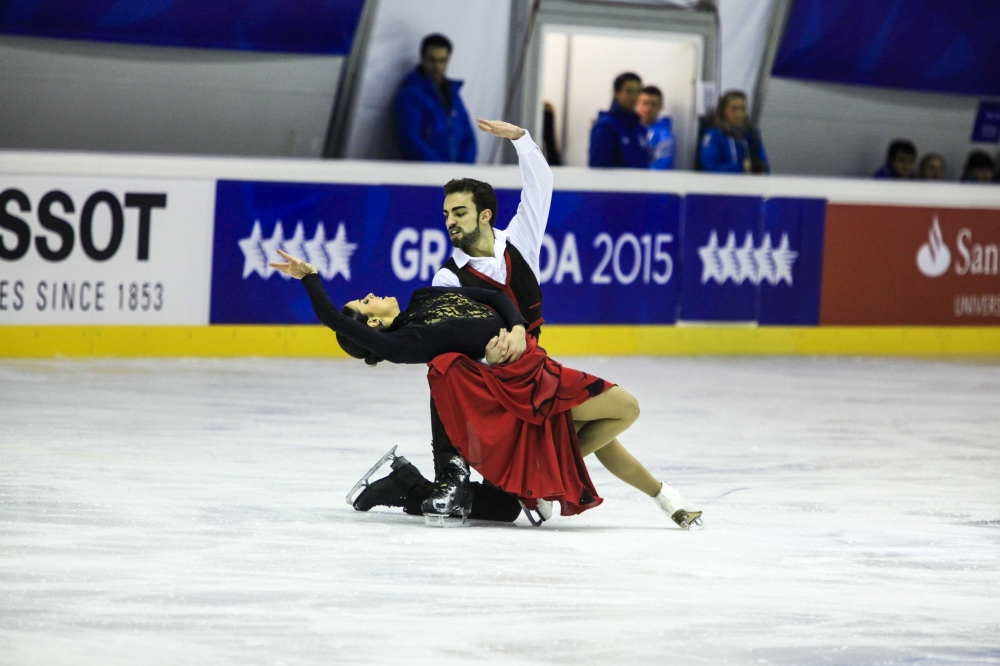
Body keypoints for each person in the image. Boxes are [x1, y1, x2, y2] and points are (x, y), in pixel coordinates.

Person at [268, 248, 703, 530]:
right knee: (626, 408)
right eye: (365, 306)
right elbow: (338, 322)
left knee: (595, 428)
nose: (368, 296)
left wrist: (516, 327)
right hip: (518, 388)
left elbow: (494, 298)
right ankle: (534, 483)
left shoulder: (424, 296)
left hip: (535, 362)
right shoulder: (405, 342)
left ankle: (661, 497)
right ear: (374, 326)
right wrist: (311, 279)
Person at [393, 33, 476, 163]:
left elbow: (468, 136)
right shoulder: (410, 95)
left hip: (454, 176)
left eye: (442, 61)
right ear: (422, 58)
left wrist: (463, 168)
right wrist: (439, 170)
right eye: (432, 60)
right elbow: (410, 140)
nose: (437, 67)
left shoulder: (453, 93)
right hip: (426, 176)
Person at [588, 72, 649, 168]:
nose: (634, 97)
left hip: (638, 182)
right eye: (629, 91)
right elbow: (599, 168)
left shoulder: (639, 128)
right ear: (617, 93)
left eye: (638, 92)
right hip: (613, 182)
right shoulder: (605, 127)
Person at [700, 90, 769, 174]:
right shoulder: (714, 136)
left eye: (743, 109)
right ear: (722, 111)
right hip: (721, 185)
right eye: (734, 109)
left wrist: (760, 169)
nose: (739, 114)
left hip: (750, 185)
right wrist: (743, 168)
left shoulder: (752, 135)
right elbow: (710, 167)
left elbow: (765, 167)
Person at [636, 85, 675, 170]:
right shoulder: (628, 129)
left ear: (661, 106)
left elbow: (663, 166)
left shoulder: (664, 135)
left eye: (653, 104)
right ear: (637, 104)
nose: (648, 108)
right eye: (645, 103)